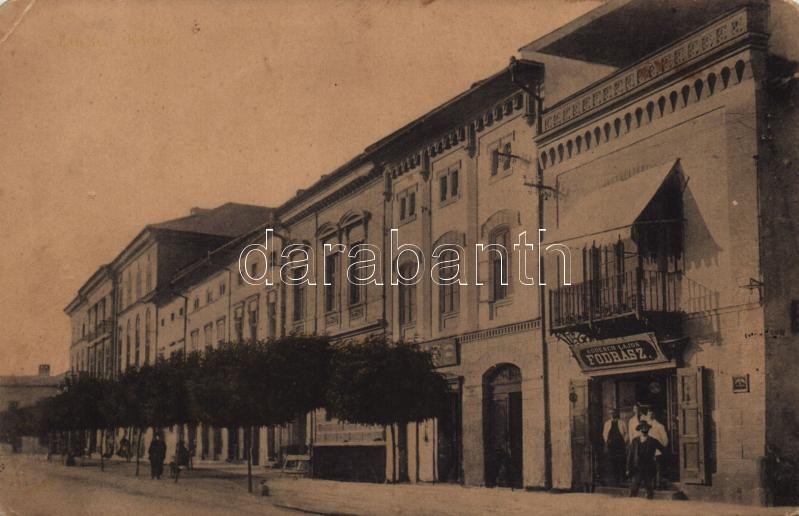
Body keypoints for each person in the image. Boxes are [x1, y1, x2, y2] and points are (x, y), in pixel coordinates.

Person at [626, 420, 665, 499]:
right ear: (639, 430)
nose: (644, 430)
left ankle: (649, 504)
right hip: (637, 468)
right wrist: (628, 469)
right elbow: (630, 456)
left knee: (649, 489)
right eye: (642, 428)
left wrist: (657, 458)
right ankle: (631, 504)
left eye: (645, 428)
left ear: (648, 429)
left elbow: (663, 450)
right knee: (634, 489)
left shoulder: (653, 441)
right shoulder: (635, 441)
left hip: (648, 468)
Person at [602, 408, 628, 484]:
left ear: (616, 413)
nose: (612, 415)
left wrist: (624, 441)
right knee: (613, 461)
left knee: (621, 461)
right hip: (611, 445)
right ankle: (615, 480)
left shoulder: (622, 423)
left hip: (620, 445)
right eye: (611, 413)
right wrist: (607, 441)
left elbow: (626, 433)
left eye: (613, 413)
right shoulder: (607, 423)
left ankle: (622, 479)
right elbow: (604, 434)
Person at [647, 411, 669, 487]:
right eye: (648, 414)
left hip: (657, 451)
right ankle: (651, 484)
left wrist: (662, 449)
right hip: (649, 451)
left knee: (658, 468)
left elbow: (665, 440)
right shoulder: (646, 426)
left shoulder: (659, 426)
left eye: (651, 414)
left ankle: (658, 484)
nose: (649, 416)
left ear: (654, 415)